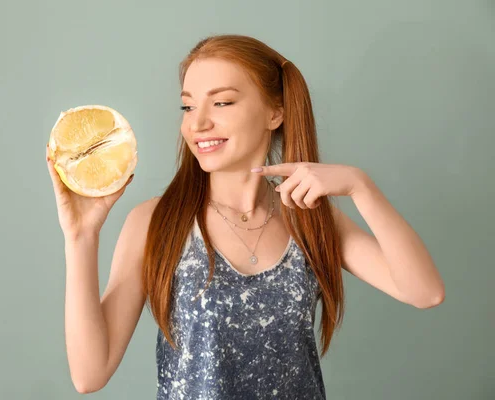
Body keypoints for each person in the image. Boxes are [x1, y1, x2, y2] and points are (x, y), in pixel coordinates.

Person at [46, 34, 445, 399]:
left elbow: (425, 292)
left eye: (221, 102)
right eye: (188, 105)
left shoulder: (308, 219)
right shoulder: (156, 221)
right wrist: (81, 238)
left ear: (275, 112)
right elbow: (89, 374)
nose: (197, 122)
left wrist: (362, 187)